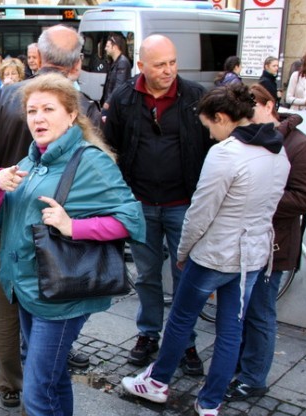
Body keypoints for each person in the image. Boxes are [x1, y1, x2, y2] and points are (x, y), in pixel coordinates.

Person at [0, 74, 144, 416]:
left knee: (38, 391)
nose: (38, 118)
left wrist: (76, 227)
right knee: (51, 378)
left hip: (61, 297)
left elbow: (132, 219)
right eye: (32, 111)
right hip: (28, 287)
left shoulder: (89, 162)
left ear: (72, 114)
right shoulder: (30, 161)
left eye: (49, 109)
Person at [121, 84, 290, 416]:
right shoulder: (277, 151)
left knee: (182, 319)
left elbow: (201, 211)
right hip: (252, 256)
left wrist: (183, 251)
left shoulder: (227, 153)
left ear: (223, 118)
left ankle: (157, 382)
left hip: (215, 254)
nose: (209, 135)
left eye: (210, 126)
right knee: (231, 329)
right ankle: (210, 403)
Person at [0, 24, 100, 416]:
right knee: (44, 318)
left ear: (37, 58)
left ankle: (10, 385)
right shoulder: (77, 105)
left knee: (6, 308)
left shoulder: (7, 96)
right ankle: (35, 410)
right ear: (77, 64)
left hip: (6, 225)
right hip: (52, 234)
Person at [103, 35, 210, 374]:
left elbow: (212, 147)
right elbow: (111, 151)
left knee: (186, 276)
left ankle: (185, 340)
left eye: (173, 62)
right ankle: (148, 333)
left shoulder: (195, 96)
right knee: (148, 275)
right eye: (161, 64)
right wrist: (121, 197)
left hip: (184, 204)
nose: (169, 70)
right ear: (142, 66)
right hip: (141, 203)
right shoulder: (123, 99)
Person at [225, 84, 306, 402]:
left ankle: (253, 379)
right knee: (239, 310)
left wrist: (257, 196)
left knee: (260, 312)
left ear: (269, 106)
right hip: (243, 239)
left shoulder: (302, 146)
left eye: (250, 113)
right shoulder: (250, 138)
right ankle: (238, 368)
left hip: (274, 243)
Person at [101, 32, 132, 119]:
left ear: (114, 47)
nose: (105, 49)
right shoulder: (115, 62)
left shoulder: (122, 62)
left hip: (115, 104)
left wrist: (108, 102)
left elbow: (119, 85)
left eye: (107, 46)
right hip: (113, 103)